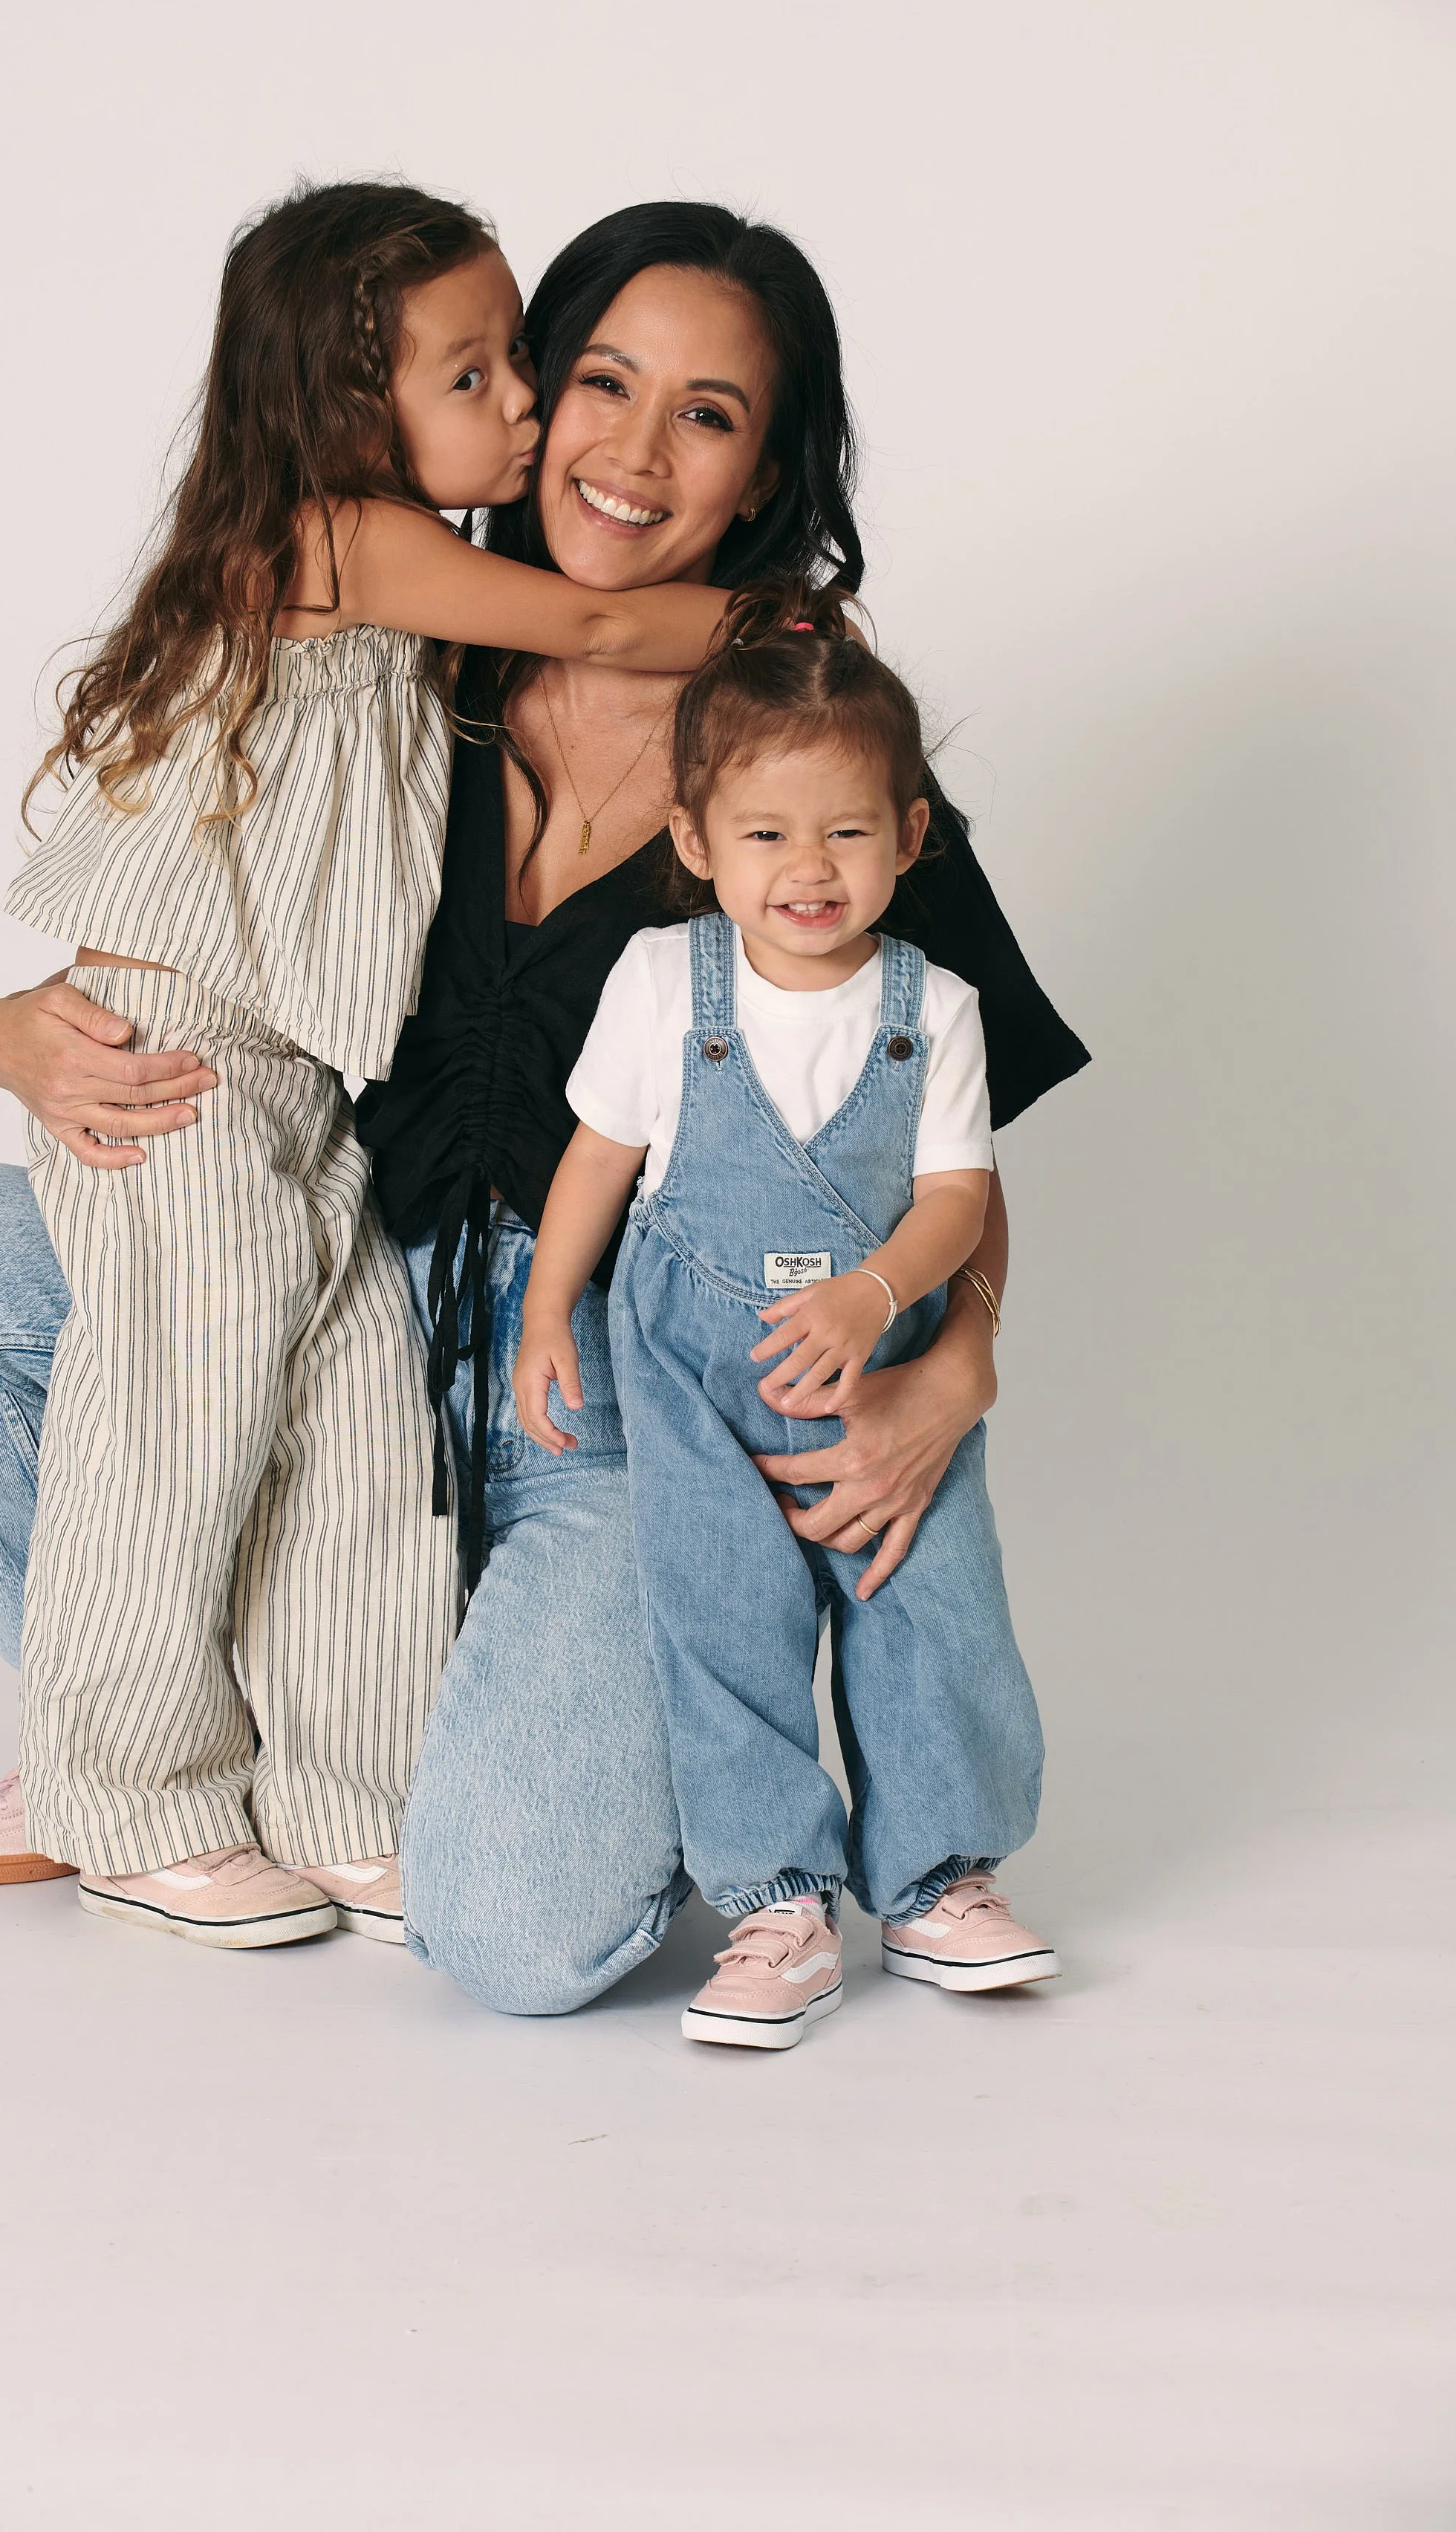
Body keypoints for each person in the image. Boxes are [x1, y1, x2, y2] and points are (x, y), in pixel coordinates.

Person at [0, 201, 1088, 2015]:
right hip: (336, 1312)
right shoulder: (403, 663)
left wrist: (959, 1358)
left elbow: (943, 1112)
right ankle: (121, 1741)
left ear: (767, 464)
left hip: (605, 1418)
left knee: (510, 1936)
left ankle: (340, 1743)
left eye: (711, 414)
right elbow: (186, 892)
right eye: (599, 381)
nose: (633, 451)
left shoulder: (805, 766)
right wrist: (9, 1027)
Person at [0, 178, 732, 1953]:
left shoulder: (436, 613)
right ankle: (123, 1786)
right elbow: (587, 626)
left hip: (304, 1094)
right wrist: (783, 630)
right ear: (351, 412)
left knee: (350, 1427)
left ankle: (350, 1802)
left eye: (522, 362)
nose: (520, 408)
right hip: (188, 1053)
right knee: (181, 1411)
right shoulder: (343, 543)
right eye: (483, 372)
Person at [514, 605, 1057, 2050]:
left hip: (878, 1358)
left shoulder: (933, 1007)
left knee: (926, 1605)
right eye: (764, 836)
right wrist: (547, 1310)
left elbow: (956, 1195)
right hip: (695, 1369)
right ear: (695, 839)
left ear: (911, 833)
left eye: (845, 835)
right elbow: (598, 1157)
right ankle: (776, 1903)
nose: (807, 871)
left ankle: (943, 1876)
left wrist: (879, 1294)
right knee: (723, 1621)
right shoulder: (659, 981)